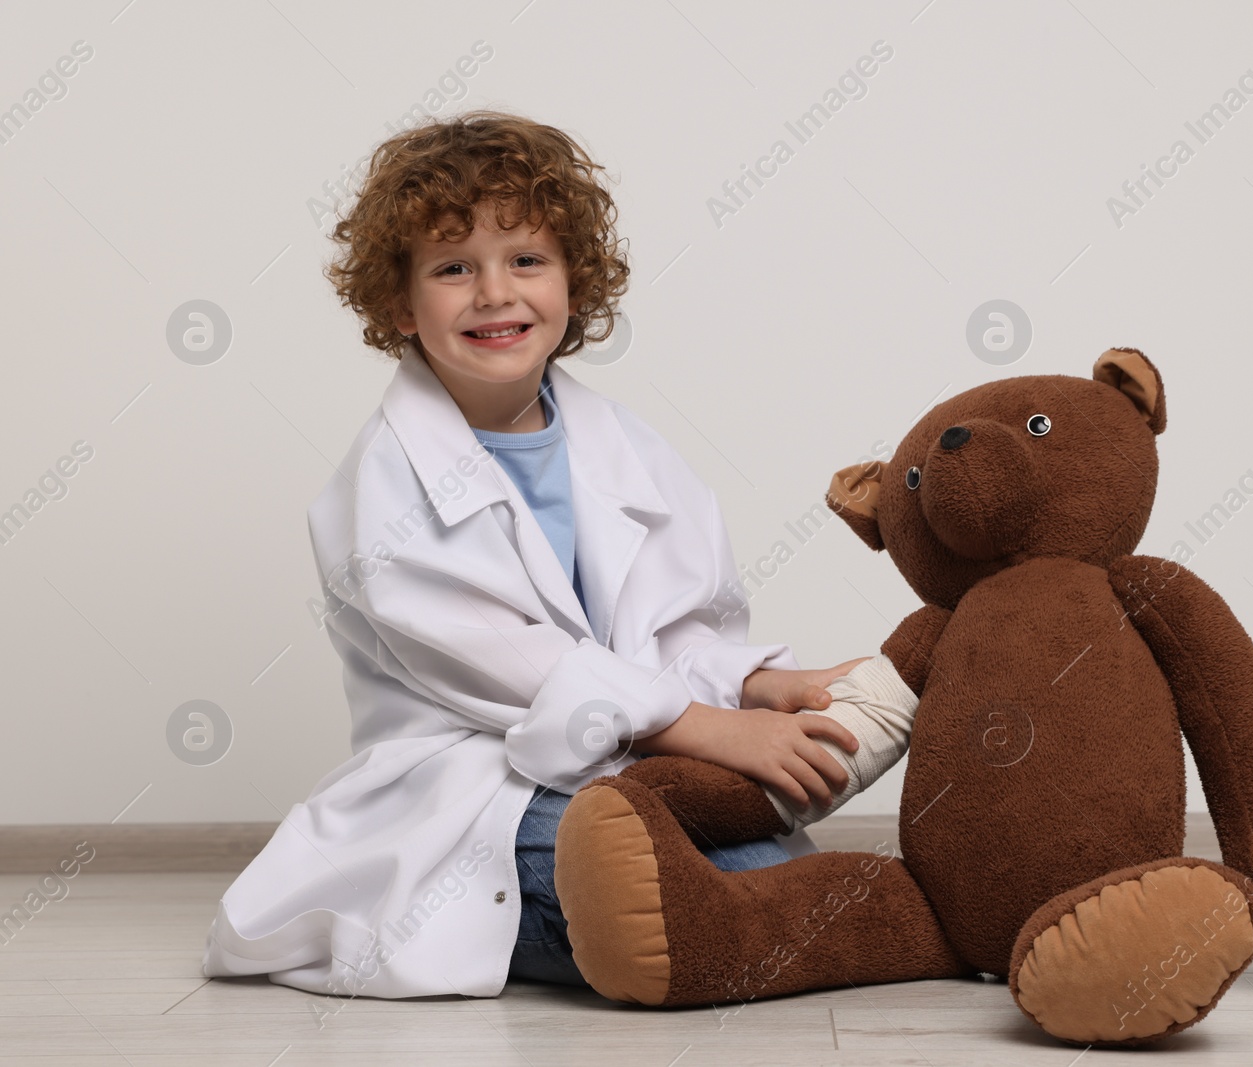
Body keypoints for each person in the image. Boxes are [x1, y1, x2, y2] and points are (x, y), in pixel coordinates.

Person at [199, 110, 916, 1001]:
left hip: (630, 760)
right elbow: (520, 674)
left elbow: (669, 625)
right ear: (398, 301)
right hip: (480, 788)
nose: (495, 293)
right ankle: (695, 935)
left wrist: (754, 683)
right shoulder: (380, 489)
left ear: (575, 281)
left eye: (526, 260)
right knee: (650, 861)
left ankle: (754, 925)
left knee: (756, 853)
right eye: (453, 267)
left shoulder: (624, 447)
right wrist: (712, 728)